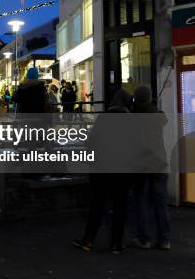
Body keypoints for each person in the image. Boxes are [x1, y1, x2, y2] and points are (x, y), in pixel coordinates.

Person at [73, 89, 134, 254]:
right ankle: (116, 243)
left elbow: (91, 143)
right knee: (120, 207)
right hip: (122, 172)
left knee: (97, 205)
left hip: (101, 170)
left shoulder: (104, 119)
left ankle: (88, 239)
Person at [131, 85, 171, 251]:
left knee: (142, 202)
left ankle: (144, 239)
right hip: (159, 164)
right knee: (161, 204)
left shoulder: (132, 118)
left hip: (142, 165)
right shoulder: (158, 116)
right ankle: (164, 240)